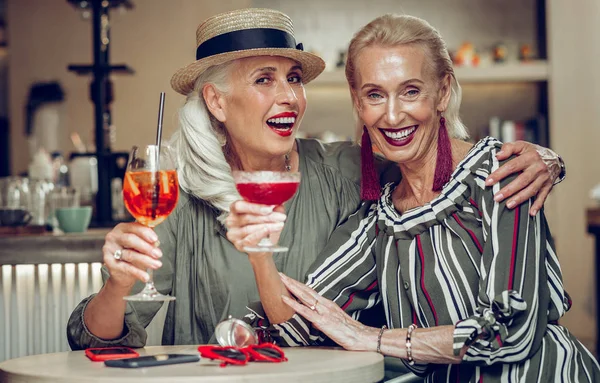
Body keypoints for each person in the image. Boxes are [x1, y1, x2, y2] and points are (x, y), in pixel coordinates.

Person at [67, 8, 563, 350]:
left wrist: (545, 157)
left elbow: (433, 155)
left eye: (295, 79)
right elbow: (98, 338)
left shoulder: (345, 170)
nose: (289, 97)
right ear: (217, 102)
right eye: (265, 79)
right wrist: (116, 287)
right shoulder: (180, 194)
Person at [227, 14, 599, 383]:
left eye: (410, 91)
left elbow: (508, 332)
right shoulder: (379, 220)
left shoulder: (504, 174)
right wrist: (260, 255)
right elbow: (303, 323)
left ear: (442, 92)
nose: (391, 115)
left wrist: (371, 338)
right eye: (374, 95)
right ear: (357, 102)